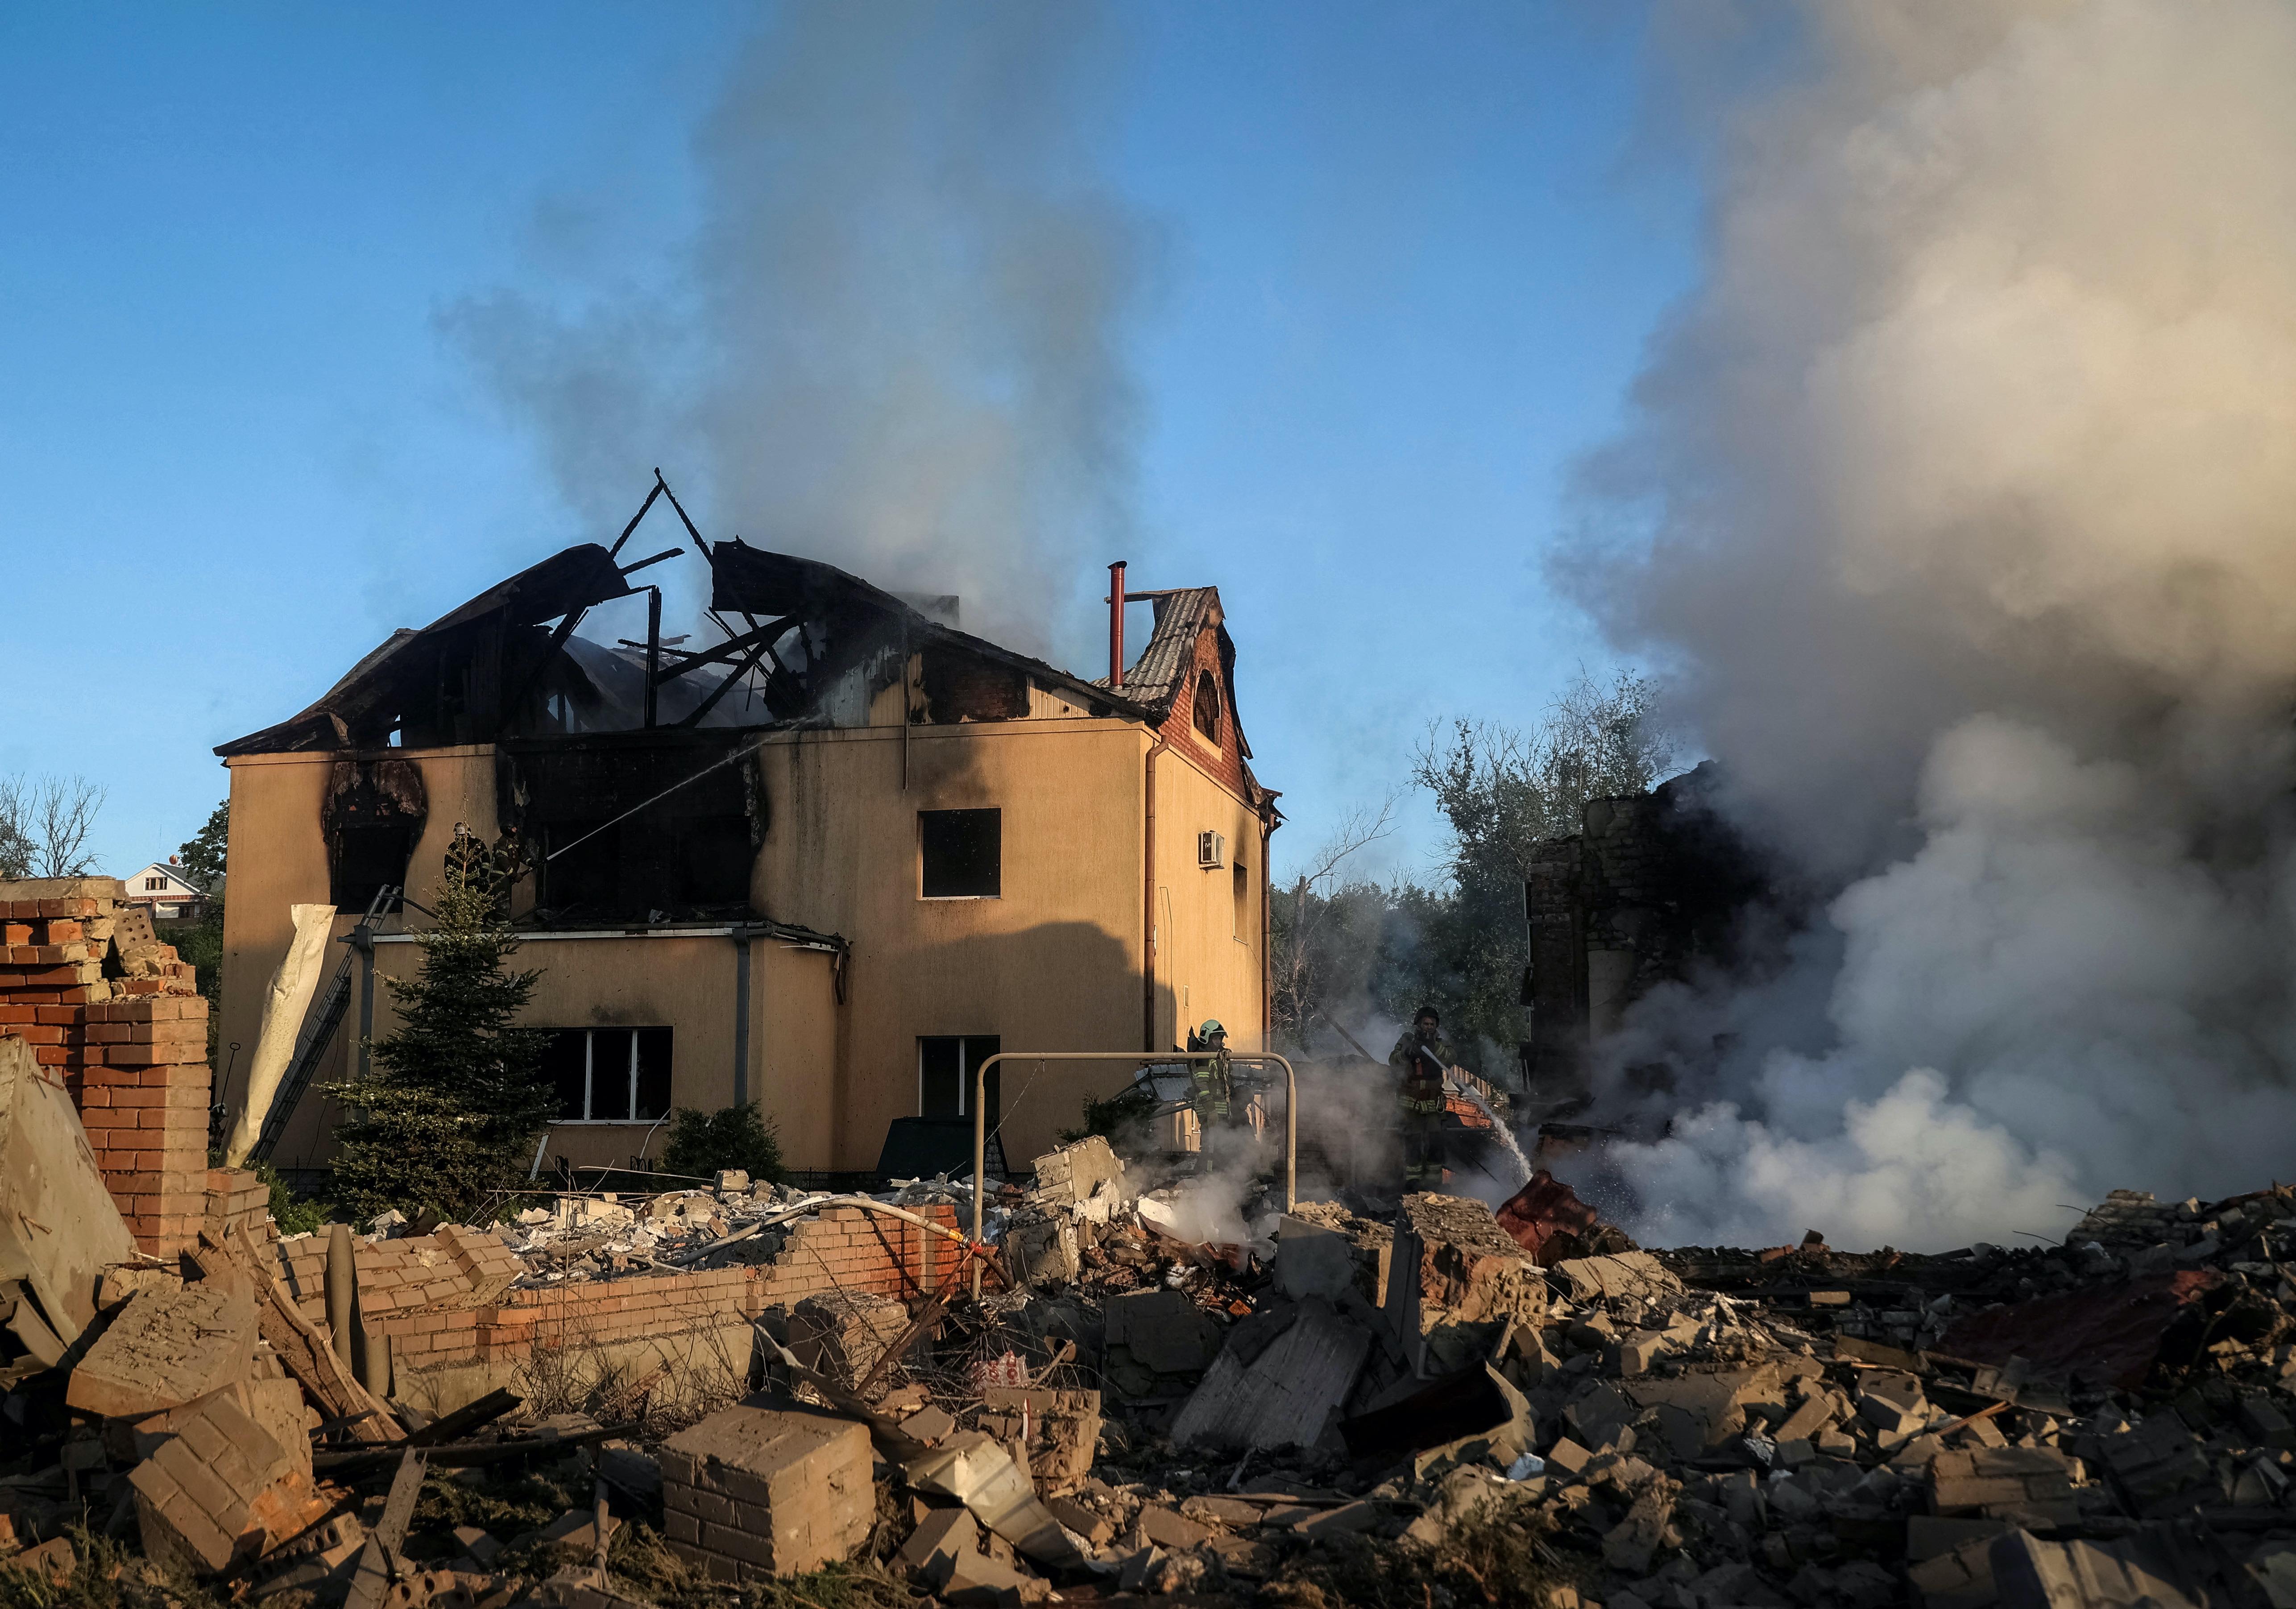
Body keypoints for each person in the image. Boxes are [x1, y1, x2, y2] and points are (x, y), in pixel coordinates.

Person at [1388, 1005, 1456, 1192]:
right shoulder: (1407, 1040)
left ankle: (1434, 1184)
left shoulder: (1442, 1043)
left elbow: (1451, 1059)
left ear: (1436, 1026)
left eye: (1432, 1024)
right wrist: (1408, 1053)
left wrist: (1434, 1046)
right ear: (1418, 1024)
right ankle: (1413, 1183)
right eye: (1425, 1023)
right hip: (1411, 1104)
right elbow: (1393, 1060)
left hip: (1434, 1104)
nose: (1428, 1027)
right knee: (1413, 1143)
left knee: (1435, 1144)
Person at [1189, 1018, 1240, 1139]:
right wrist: (1211, 1111)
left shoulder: (1215, 1058)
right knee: (1210, 1149)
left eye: (1219, 1039)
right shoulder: (1202, 1058)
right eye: (1215, 1039)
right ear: (1206, 1038)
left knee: (1221, 1150)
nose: (1218, 1042)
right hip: (1209, 1111)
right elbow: (1202, 1086)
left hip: (1220, 1111)